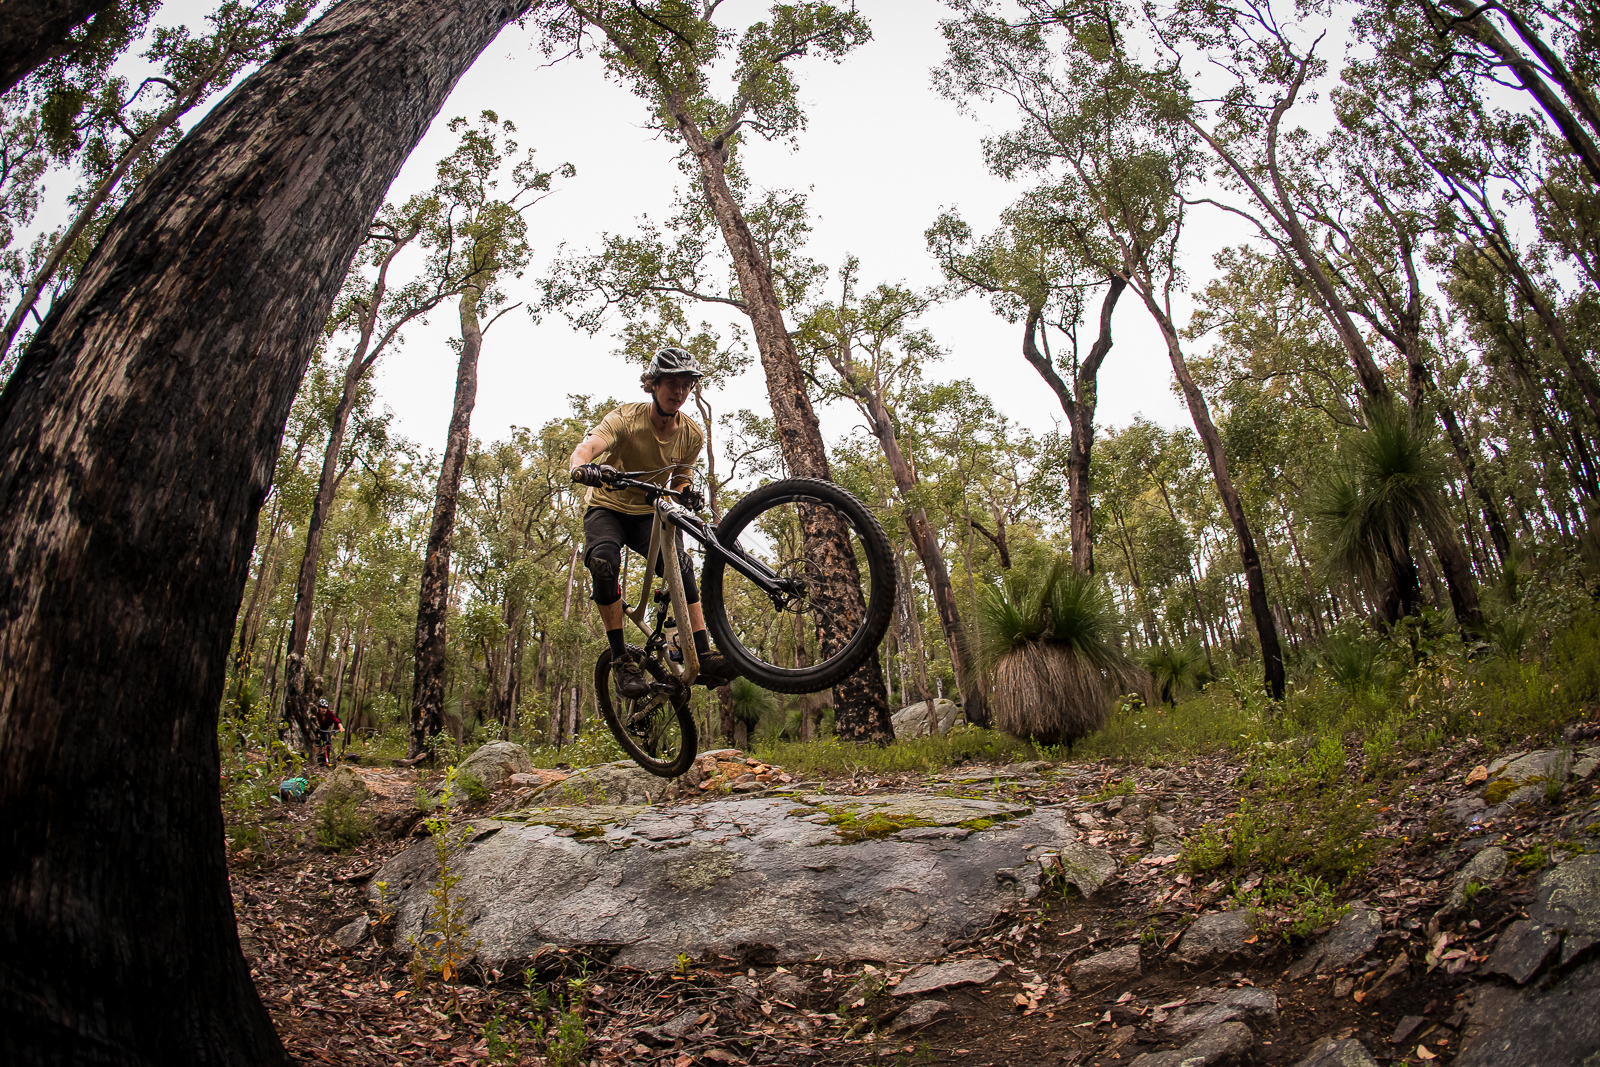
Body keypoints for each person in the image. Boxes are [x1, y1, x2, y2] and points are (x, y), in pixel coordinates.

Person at [569, 347, 737, 698]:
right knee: (603, 562)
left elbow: (681, 478)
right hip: (608, 508)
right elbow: (588, 447)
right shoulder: (626, 419)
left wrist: (685, 492)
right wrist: (582, 466)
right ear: (653, 385)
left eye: (686, 385)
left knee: (681, 566)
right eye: (671, 383)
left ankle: (702, 653)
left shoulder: (691, 434)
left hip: (650, 513)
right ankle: (620, 660)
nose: (678, 392)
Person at [314, 697, 343, 765]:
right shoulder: (316, 714)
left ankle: (328, 759)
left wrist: (341, 728)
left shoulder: (330, 714)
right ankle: (316, 757)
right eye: (322, 707)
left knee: (328, 743)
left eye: (325, 708)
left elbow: (337, 722)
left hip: (325, 730)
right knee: (316, 743)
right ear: (319, 708)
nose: (324, 709)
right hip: (317, 729)